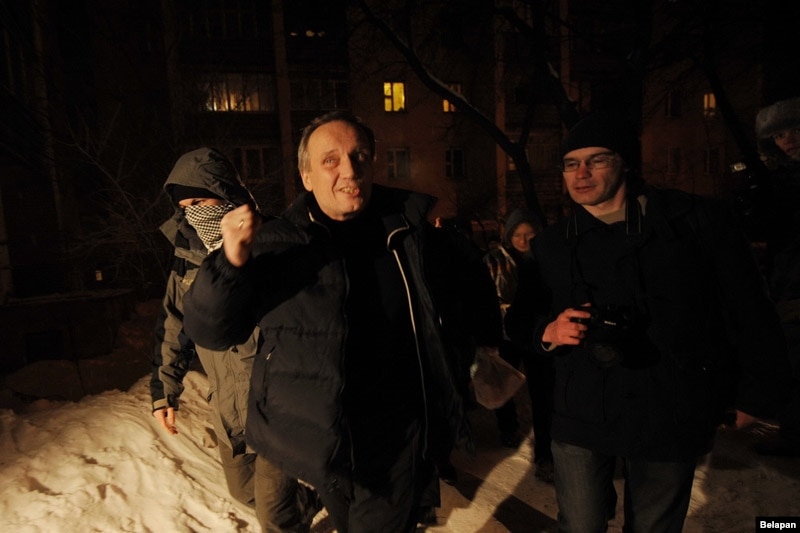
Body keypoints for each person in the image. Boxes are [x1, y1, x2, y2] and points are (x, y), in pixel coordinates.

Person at [181, 111, 502, 532]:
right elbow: (211, 330)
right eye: (330, 160)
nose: (349, 170)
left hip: (396, 437)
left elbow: (474, 282)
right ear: (307, 176)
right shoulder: (279, 244)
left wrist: (482, 346)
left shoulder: (412, 235)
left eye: (359, 156)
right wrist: (229, 262)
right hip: (326, 442)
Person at [505, 111, 791, 532]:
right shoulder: (551, 244)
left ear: (625, 162)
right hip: (581, 408)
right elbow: (519, 321)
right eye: (571, 163)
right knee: (581, 525)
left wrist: (757, 392)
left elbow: (750, 310)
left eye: (596, 160)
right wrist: (546, 332)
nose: (581, 174)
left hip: (668, 405)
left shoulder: (695, 222)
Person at [149, 147, 319, 532]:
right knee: (244, 491)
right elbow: (173, 325)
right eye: (185, 207)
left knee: (273, 516)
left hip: (273, 405)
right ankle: (309, 500)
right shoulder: (187, 257)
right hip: (228, 407)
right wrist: (164, 391)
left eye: (200, 201)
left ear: (225, 193)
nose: (193, 213)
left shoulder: (273, 241)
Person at [483, 208, 555, 481]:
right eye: (518, 234)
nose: (524, 240)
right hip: (504, 334)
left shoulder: (547, 260)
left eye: (530, 234)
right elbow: (483, 297)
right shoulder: (494, 260)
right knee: (504, 384)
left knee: (543, 395)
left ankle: (545, 452)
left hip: (537, 335)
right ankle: (508, 427)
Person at [750, 96, 800, 457]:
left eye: (795, 129)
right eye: (780, 134)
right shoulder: (778, 181)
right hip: (789, 282)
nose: (788, 140)